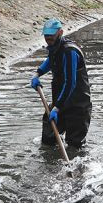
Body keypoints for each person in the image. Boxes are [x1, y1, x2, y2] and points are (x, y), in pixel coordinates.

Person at [30, 18, 91, 150]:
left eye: (51, 35)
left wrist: (57, 108)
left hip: (78, 107)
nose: (48, 38)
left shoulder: (70, 52)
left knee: (75, 147)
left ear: (60, 33)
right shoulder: (54, 48)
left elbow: (70, 84)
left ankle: (78, 165)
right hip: (60, 103)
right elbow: (50, 60)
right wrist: (38, 74)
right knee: (48, 138)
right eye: (46, 35)